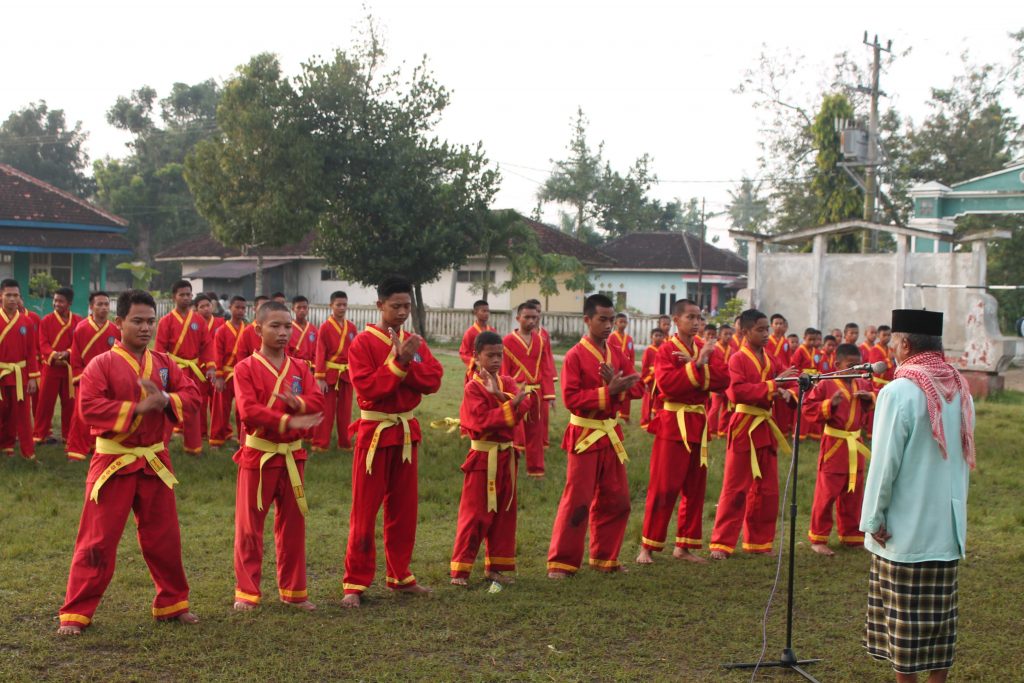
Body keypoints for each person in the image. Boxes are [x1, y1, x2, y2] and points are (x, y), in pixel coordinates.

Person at [57, 290, 201, 635]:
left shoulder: (165, 363)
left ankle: (173, 602)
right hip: (113, 461)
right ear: (119, 323)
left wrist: (165, 398)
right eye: (137, 321)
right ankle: (76, 612)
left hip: (154, 459)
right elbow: (88, 407)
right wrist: (136, 408)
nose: (145, 328)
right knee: (97, 540)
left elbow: (193, 396)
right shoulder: (101, 364)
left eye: (151, 321)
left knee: (164, 537)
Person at [861, 309, 974, 683]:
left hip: (905, 529)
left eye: (893, 341)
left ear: (905, 344)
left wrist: (873, 520)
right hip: (945, 527)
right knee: (940, 624)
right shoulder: (958, 386)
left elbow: (883, 463)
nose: (891, 348)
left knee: (905, 627)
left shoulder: (899, 390)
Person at [341, 276, 443, 608]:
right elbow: (370, 390)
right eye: (395, 306)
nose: (402, 312)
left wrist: (405, 365)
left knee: (404, 511)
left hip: (405, 435)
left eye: (406, 306)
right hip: (374, 436)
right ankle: (355, 583)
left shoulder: (414, 342)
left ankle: (400, 576)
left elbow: (434, 380)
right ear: (379, 305)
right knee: (365, 511)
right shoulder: (362, 344)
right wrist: (400, 364)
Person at [231, 301, 323, 612]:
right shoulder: (244, 368)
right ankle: (247, 591)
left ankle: (294, 591)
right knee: (249, 527)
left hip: (293, 457)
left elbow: (316, 400)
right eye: (275, 326)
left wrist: (297, 404)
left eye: (288, 327)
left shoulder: (300, 368)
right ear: (257, 329)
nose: (284, 333)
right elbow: (248, 410)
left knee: (293, 526)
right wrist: (287, 420)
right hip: (259, 455)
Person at [547, 294, 641, 578]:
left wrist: (618, 387)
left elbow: (637, 386)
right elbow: (571, 398)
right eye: (602, 320)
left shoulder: (616, 350)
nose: (609, 325)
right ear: (587, 320)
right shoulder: (575, 355)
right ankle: (561, 562)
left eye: (612, 320)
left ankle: (604, 557)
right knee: (578, 499)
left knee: (618, 499)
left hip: (611, 434)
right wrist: (607, 392)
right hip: (585, 433)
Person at [637, 299, 727, 564]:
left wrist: (698, 364)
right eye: (690, 317)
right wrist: (696, 366)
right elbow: (669, 386)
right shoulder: (665, 350)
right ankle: (647, 547)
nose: (697, 322)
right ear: (675, 320)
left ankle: (684, 546)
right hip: (673, 423)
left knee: (695, 487)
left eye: (699, 317)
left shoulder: (704, 347)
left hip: (698, 424)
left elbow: (724, 379)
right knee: (664, 487)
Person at [709, 309, 797, 559]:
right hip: (744, 426)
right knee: (735, 487)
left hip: (765, 427)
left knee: (767, 489)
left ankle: (759, 542)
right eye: (760, 329)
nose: (767, 334)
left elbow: (788, 381)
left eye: (767, 328)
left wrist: (789, 393)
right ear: (745, 332)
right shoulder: (737, 359)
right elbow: (736, 392)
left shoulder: (771, 359)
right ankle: (721, 543)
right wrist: (773, 386)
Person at [449, 331, 531, 585]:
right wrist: (508, 404)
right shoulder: (473, 388)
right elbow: (482, 421)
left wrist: (498, 395)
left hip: (507, 457)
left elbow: (525, 406)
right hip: (484, 457)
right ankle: (460, 570)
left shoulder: (507, 381)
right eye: (490, 355)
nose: (496, 360)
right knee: (475, 514)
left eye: (500, 355)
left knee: (504, 515)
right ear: (477, 356)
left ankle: (496, 568)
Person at [802, 343, 874, 555]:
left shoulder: (862, 383)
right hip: (834, 445)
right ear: (837, 364)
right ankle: (818, 537)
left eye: (858, 365)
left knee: (853, 491)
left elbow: (872, 402)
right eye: (850, 365)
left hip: (855, 444)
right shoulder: (825, 384)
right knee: (827, 493)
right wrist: (829, 404)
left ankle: (852, 534)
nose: (855, 370)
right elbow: (808, 409)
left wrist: (868, 399)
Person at [155, 280, 216, 455]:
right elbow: (160, 348)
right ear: (174, 296)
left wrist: (210, 367)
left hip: (194, 370)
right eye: (182, 294)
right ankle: (160, 446)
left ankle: (193, 446)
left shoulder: (198, 320)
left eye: (188, 294)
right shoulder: (165, 321)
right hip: (174, 368)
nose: (185, 298)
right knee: (168, 405)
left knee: (193, 406)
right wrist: (162, 372)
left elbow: (207, 346)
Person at [65, 292, 120, 461]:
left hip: (108, 380)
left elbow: (118, 356)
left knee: (105, 414)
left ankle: (99, 446)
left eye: (106, 304)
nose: (103, 308)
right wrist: (80, 376)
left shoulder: (114, 330)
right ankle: (76, 450)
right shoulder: (81, 328)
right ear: (91, 307)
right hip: (86, 378)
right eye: (99, 304)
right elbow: (75, 356)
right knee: (81, 415)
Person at [501, 303, 552, 478]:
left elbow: (545, 368)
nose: (531, 321)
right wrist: (506, 393)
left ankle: (536, 469)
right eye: (527, 317)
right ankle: (510, 465)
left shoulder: (540, 340)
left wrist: (549, 394)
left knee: (536, 433)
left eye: (534, 317)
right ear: (518, 318)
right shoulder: (507, 341)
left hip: (535, 393)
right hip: (517, 393)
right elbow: (504, 370)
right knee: (514, 430)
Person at [33, 287, 82, 445]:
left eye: (61, 301)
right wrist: (54, 355)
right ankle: (40, 434)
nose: (56, 304)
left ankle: (68, 435)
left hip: (69, 369)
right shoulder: (46, 320)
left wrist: (68, 352)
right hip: (51, 367)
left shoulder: (78, 321)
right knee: (45, 402)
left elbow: (78, 343)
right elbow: (43, 343)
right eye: (55, 300)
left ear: (69, 303)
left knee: (69, 403)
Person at [0, 279, 40, 459]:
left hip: (20, 375)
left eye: (15, 295)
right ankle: (6, 445)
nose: (12, 299)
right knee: (3, 411)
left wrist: (33, 377)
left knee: (23, 416)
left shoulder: (27, 322)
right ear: (1, 296)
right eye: (8, 295)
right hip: (1, 374)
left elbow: (32, 351)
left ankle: (28, 451)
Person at [313, 291, 357, 451]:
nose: (342, 308)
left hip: (346, 374)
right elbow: (320, 352)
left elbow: (354, 352)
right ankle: (320, 443)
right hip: (329, 375)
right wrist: (320, 377)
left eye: (344, 304)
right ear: (331, 306)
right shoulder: (324, 327)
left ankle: (345, 442)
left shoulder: (351, 327)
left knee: (345, 411)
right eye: (338, 305)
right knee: (326, 410)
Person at [210, 296, 248, 447]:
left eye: (243, 308)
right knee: (220, 410)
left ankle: (243, 440)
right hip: (225, 375)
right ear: (230, 308)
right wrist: (218, 376)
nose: (240, 311)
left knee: (243, 410)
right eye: (237, 307)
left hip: (242, 376)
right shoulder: (222, 331)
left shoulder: (249, 329)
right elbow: (217, 354)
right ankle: (216, 439)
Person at [193, 293, 224, 441]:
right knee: (201, 400)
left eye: (208, 305)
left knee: (217, 402)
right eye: (202, 306)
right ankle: (201, 432)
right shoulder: (194, 324)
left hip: (218, 367)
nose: (206, 309)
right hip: (199, 367)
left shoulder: (221, 322)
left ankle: (220, 431)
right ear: (196, 309)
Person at [707, 324, 735, 438]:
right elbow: (713, 366)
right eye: (725, 334)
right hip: (717, 382)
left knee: (727, 407)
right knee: (715, 407)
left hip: (729, 382)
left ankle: (723, 430)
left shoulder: (732, 350)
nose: (728, 336)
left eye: (730, 334)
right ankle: (710, 430)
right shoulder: (714, 348)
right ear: (719, 335)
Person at [457, 299, 496, 380]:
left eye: (488, 311)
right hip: (475, 372)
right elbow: (463, 353)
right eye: (483, 311)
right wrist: (475, 361)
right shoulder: (470, 332)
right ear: (475, 312)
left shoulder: (493, 331)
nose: (486, 314)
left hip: (491, 370)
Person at [609, 312, 636, 422]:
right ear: (616, 323)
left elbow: (632, 353)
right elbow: (609, 352)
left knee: (627, 392)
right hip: (617, 368)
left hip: (627, 368)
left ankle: (625, 415)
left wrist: (631, 366)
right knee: (615, 391)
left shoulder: (629, 338)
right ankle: (612, 413)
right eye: (621, 322)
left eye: (625, 322)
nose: (623, 324)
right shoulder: (612, 337)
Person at [638, 327, 666, 430]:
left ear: (663, 337)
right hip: (650, 379)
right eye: (656, 336)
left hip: (661, 379)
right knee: (648, 400)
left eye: (660, 336)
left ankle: (658, 419)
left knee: (660, 400)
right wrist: (645, 380)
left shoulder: (664, 349)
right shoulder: (649, 350)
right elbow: (644, 366)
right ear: (651, 337)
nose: (658, 338)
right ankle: (645, 421)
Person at [236, 295, 270, 363]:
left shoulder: (275, 330)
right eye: (262, 306)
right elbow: (241, 356)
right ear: (254, 308)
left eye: (268, 306)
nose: (266, 309)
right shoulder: (247, 331)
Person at [288, 295, 316, 370]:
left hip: (310, 367)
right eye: (299, 307)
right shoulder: (288, 328)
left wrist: (314, 365)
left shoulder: (314, 329)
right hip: (293, 366)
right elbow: (285, 350)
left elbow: (317, 350)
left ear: (308, 309)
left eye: (304, 307)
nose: (302, 310)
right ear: (293, 309)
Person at [869, 325, 896, 391]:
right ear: (878, 335)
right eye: (884, 335)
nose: (887, 337)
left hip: (890, 383)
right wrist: (888, 359)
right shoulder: (874, 350)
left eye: (889, 335)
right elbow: (876, 368)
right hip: (878, 384)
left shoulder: (891, 349)